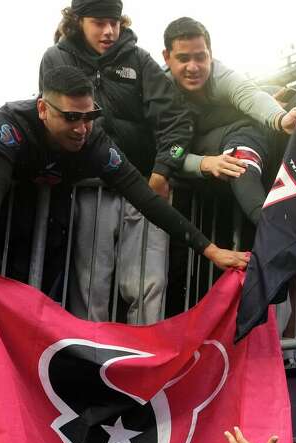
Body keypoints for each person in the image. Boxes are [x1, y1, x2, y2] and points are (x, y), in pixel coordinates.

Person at [0, 66, 247, 288]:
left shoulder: (94, 140)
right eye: (71, 117)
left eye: (90, 115)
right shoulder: (12, 123)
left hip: (52, 218)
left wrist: (210, 250)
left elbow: (144, 196)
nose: (82, 128)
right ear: (43, 109)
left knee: (48, 285)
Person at [41, 0, 193, 323]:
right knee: (89, 287)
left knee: (150, 286)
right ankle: (90, 368)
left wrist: (163, 171)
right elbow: (52, 125)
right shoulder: (56, 58)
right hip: (88, 191)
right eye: (99, 22)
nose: (109, 31)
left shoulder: (139, 59)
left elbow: (178, 121)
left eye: (114, 22)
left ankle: (144, 367)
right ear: (77, 20)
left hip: (143, 191)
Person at [162, 17, 296, 224]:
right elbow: (166, 152)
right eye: (183, 58)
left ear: (211, 55)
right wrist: (204, 163)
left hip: (229, 147)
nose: (193, 67)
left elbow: (250, 95)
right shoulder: (158, 90)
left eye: (200, 57)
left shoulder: (221, 76)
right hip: (183, 154)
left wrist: (280, 119)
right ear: (167, 57)